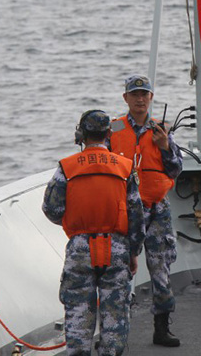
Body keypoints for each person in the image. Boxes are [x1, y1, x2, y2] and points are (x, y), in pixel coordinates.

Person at [42, 109, 145, 356]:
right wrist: (133, 252)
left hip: (80, 249)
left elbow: (52, 209)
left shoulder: (66, 167)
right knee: (115, 316)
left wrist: (77, 225)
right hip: (117, 250)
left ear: (81, 135)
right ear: (109, 134)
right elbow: (136, 215)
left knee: (78, 315)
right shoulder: (125, 167)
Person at [109, 74, 184, 347]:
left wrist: (165, 148)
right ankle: (112, 332)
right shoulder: (113, 130)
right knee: (116, 270)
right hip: (124, 209)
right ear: (125, 98)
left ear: (151, 98)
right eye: (135, 94)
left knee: (160, 267)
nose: (140, 99)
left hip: (156, 209)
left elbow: (176, 169)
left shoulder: (161, 130)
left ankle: (162, 328)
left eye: (144, 94)